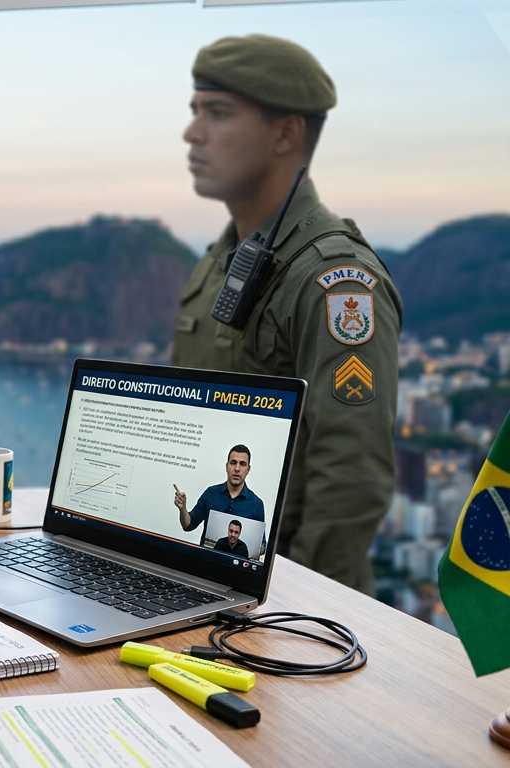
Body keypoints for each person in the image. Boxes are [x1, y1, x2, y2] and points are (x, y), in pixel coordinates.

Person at [171, 34, 401, 594]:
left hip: (276, 609)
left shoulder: (335, 281)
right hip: (197, 579)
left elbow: (350, 476)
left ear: (286, 134)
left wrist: (298, 613)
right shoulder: (221, 260)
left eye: (218, 114)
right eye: (195, 111)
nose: (192, 133)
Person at [173, 445, 264, 537]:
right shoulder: (211, 493)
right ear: (226, 466)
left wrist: (261, 547)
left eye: (242, 464)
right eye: (233, 463)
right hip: (207, 551)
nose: (237, 468)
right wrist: (183, 509)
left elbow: (261, 545)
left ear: (248, 469)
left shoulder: (256, 504)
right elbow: (188, 525)